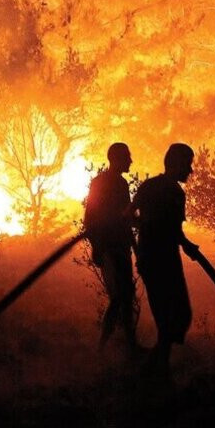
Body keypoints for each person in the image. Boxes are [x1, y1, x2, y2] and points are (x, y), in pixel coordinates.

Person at [133, 143, 200, 376]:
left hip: (148, 259)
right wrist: (187, 245)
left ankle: (156, 369)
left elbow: (128, 216)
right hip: (165, 261)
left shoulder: (148, 186)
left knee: (167, 317)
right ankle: (153, 371)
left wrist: (143, 235)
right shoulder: (175, 193)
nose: (190, 170)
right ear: (176, 163)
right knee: (178, 316)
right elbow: (173, 230)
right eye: (188, 164)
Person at [83, 142, 141, 357]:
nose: (130, 161)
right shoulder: (104, 183)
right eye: (127, 157)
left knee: (125, 297)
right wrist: (98, 247)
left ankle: (129, 345)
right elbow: (91, 218)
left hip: (119, 247)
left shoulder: (118, 183)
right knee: (119, 297)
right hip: (110, 248)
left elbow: (125, 218)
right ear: (116, 159)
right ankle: (104, 347)